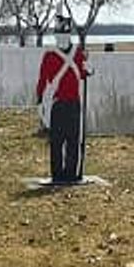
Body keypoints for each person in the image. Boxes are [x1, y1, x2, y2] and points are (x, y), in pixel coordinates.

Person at [36, 14, 89, 183]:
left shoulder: (78, 53)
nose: (62, 38)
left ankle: (70, 174)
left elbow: (81, 74)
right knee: (57, 141)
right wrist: (39, 100)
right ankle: (58, 174)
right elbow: (42, 80)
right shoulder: (50, 55)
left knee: (73, 140)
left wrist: (87, 71)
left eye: (64, 34)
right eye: (59, 35)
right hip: (58, 103)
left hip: (73, 102)